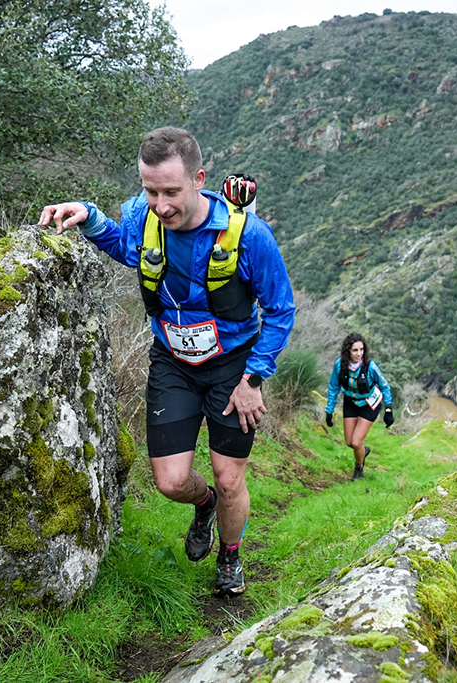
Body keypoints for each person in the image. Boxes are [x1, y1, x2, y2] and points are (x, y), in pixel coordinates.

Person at [39, 127, 295, 596]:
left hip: (233, 366)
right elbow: (129, 249)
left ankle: (231, 558)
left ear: (199, 179)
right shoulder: (144, 215)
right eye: (150, 190)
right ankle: (205, 506)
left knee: (229, 476)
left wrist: (254, 379)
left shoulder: (249, 236)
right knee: (172, 481)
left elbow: (280, 311)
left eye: (172, 192)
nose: (161, 205)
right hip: (173, 362)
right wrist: (90, 218)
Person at [324, 333, 394, 480]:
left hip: (369, 403)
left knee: (356, 442)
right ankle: (363, 451)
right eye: (355, 350)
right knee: (350, 442)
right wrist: (329, 411)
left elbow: (385, 386)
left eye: (361, 350)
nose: (359, 354)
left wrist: (388, 409)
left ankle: (359, 468)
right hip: (351, 401)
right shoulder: (339, 365)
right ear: (348, 350)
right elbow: (333, 387)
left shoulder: (371, 367)